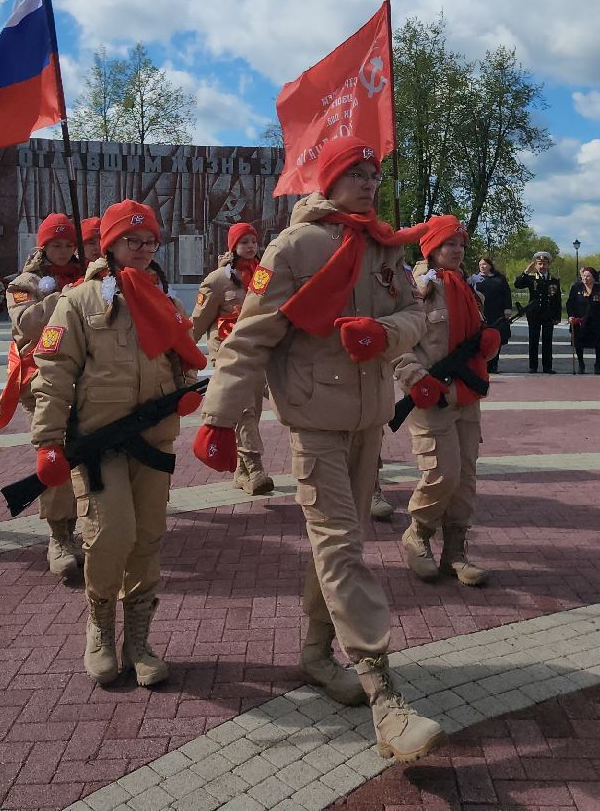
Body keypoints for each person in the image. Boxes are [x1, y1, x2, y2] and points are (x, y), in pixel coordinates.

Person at [193, 138, 443, 763]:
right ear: (327, 183)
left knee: (344, 542)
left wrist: (383, 332)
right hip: (313, 420)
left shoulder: (386, 245)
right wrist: (220, 417)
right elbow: (251, 337)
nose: (367, 182)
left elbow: (416, 315)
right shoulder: (294, 248)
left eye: (373, 173)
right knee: (339, 544)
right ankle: (385, 698)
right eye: (354, 173)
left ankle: (313, 653)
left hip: (367, 419)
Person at [31, 199, 207, 687]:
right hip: (98, 442)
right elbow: (53, 373)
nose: (144, 249)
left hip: (152, 441)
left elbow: (182, 360)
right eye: (133, 240)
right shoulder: (79, 302)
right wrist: (47, 440)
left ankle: (139, 641)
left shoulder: (163, 301)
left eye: (150, 241)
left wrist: (184, 388)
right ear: (109, 244)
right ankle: (101, 629)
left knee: (147, 538)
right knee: (110, 536)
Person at [394, 215, 501, 586]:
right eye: (449, 244)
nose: (457, 250)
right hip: (431, 397)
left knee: (465, 478)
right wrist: (416, 380)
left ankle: (455, 552)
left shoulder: (470, 291)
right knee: (443, 473)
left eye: (461, 244)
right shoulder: (417, 289)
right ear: (432, 248)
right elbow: (398, 344)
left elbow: (474, 343)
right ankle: (418, 534)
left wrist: (488, 347)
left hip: (466, 396)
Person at [0, 213, 88, 578]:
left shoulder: (91, 277)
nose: (64, 251)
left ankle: (88, 526)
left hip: (85, 375)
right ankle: (60, 535)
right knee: (56, 452)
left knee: (87, 452)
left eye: (69, 244)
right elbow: (26, 324)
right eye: (57, 245)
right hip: (41, 378)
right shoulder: (26, 283)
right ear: (43, 246)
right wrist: (65, 298)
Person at [191, 222, 272, 495]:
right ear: (233, 246)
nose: (250, 246)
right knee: (245, 408)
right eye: (244, 241)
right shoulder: (217, 280)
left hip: (258, 350)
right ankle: (255, 464)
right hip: (227, 354)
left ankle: (241, 472)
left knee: (252, 412)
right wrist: (184, 354)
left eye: (253, 241)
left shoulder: (264, 275)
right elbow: (198, 322)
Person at [514, 253, 564, 374]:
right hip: (534, 314)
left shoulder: (554, 280)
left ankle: (547, 366)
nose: (542, 266)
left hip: (548, 314)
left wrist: (557, 316)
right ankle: (533, 366)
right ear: (535, 265)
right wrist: (526, 271)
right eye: (539, 264)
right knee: (533, 340)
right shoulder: (531, 278)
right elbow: (518, 284)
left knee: (548, 341)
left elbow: (557, 299)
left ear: (548, 265)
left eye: (544, 264)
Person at [472, 257, 513, 375]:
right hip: (480, 314)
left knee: (496, 339)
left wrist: (507, 309)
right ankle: (481, 366)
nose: (482, 266)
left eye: (484, 264)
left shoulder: (499, 279)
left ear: (490, 265)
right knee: (481, 340)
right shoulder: (474, 279)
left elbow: (506, 294)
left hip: (497, 314)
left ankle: (493, 365)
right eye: (480, 264)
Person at [567, 265, 600, 373]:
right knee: (579, 343)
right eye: (584, 276)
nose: (585, 278)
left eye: (588, 276)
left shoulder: (599, 288)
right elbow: (570, 303)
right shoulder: (576, 287)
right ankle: (581, 364)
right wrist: (571, 315)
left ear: (593, 277)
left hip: (597, 321)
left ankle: (598, 365)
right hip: (580, 321)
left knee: (599, 344)